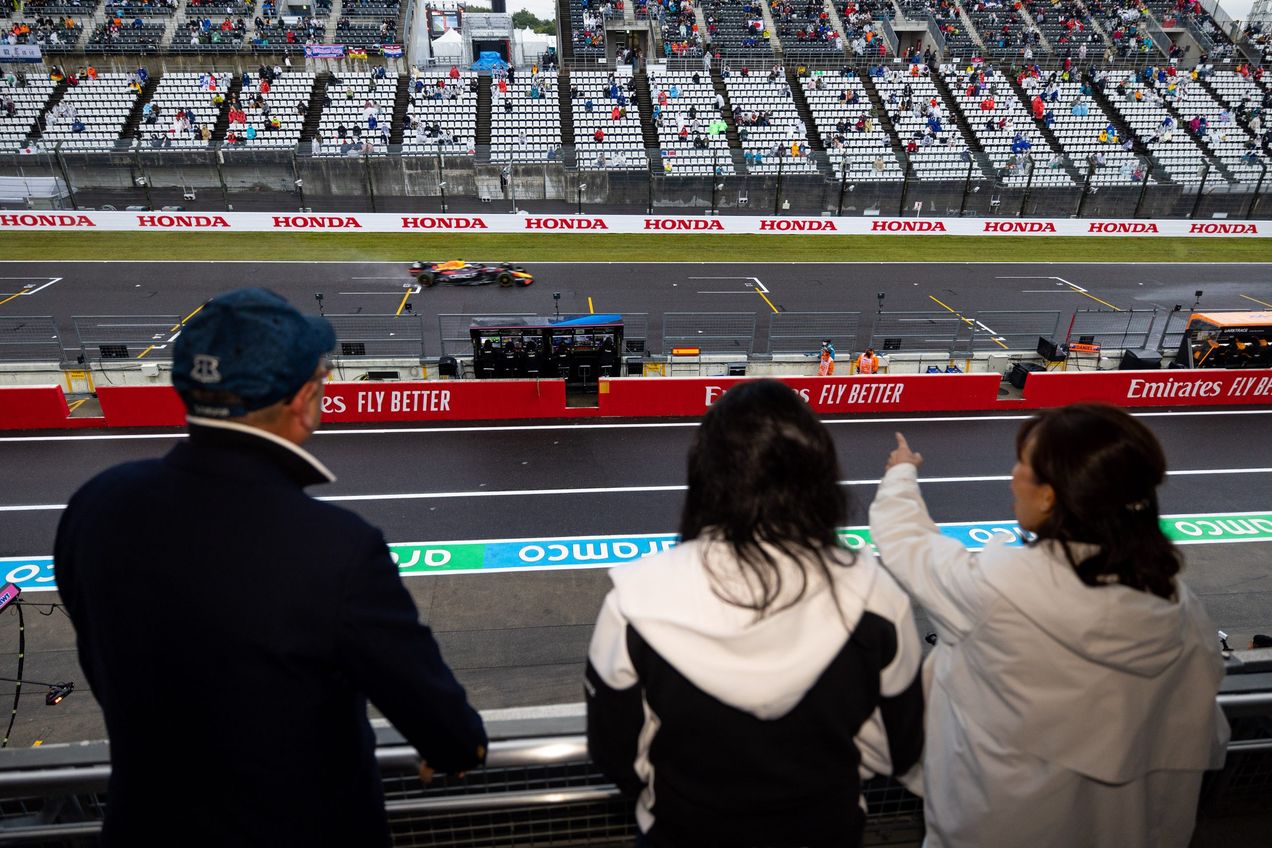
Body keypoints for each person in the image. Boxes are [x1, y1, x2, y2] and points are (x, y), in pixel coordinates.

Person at [55, 289, 487, 845]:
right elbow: (451, 736)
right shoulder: (338, 548)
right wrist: (456, 748)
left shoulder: (97, 503)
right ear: (304, 400)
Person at [869, 405, 1229, 848]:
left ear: (1048, 496)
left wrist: (901, 474)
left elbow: (907, 543)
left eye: (1022, 464)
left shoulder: (996, 588)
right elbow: (1207, 740)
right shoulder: (1181, 607)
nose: (1012, 477)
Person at [587, 379, 923, 847]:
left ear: (706, 474)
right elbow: (900, 746)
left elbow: (615, 753)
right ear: (819, 474)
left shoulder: (634, 598)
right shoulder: (876, 595)